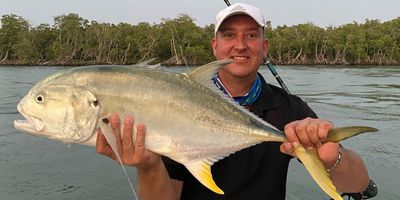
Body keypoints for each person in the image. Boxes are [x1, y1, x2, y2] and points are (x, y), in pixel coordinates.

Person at [96, 3, 370, 200]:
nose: (240, 45)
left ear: (265, 47)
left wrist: (332, 155)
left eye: (251, 35)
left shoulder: (289, 108)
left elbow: (358, 186)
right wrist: (149, 166)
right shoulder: (172, 104)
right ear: (214, 46)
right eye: (229, 35)